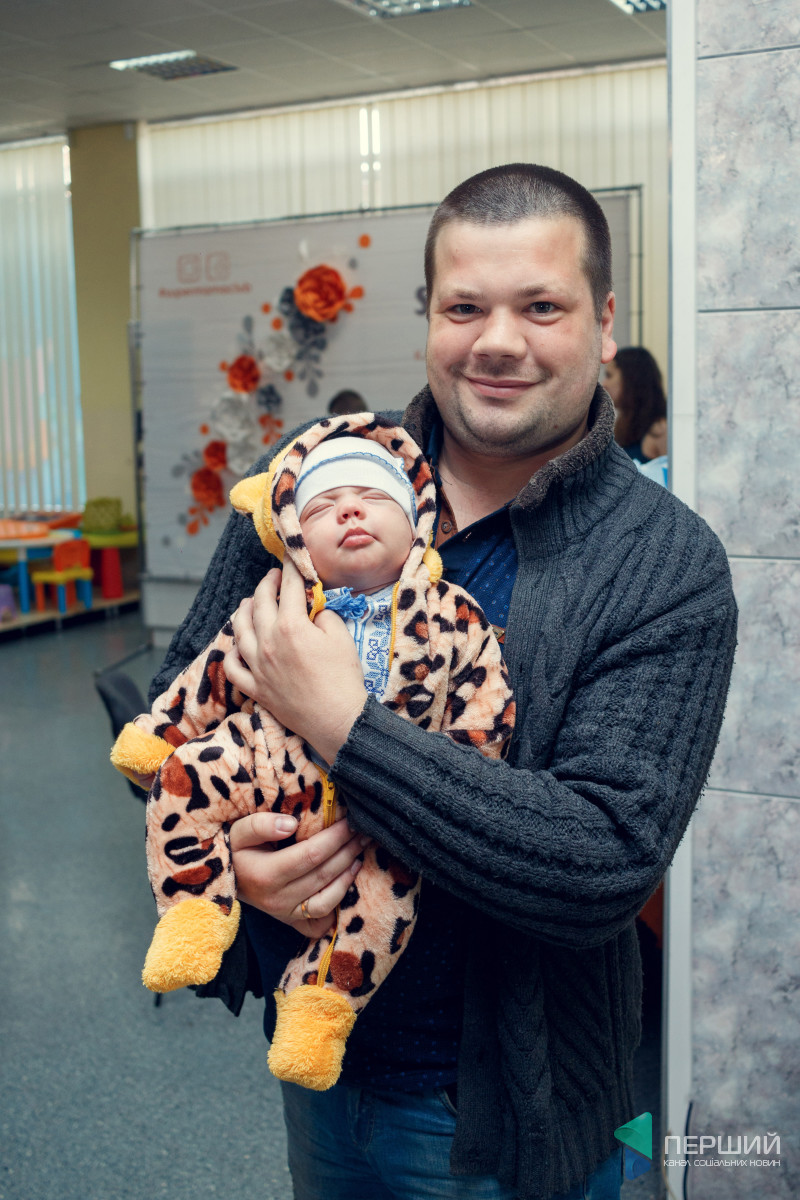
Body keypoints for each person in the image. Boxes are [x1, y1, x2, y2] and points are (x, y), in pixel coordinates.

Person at [150, 164, 737, 1200]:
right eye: (465, 307)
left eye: (541, 306)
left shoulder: (663, 563)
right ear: (429, 315)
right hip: (319, 1063)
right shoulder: (315, 480)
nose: (497, 341)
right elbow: (174, 712)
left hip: (508, 1113)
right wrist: (238, 867)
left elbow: (598, 863)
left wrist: (342, 725)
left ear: (603, 322)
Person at [113, 420, 514, 1092]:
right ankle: (194, 913)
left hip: (391, 819)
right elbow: (212, 672)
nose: (350, 511)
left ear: (419, 522)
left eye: (373, 498)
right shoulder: (276, 602)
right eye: (324, 506)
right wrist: (165, 732)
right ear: (292, 533)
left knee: (383, 907)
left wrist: (450, 782)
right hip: (268, 762)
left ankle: (319, 1010)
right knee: (185, 780)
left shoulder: (456, 616)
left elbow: (487, 709)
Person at [603, 345, 668, 463]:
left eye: (609, 376)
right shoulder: (623, 425)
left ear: (630, 379)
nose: (604, 384)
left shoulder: (661, 430)